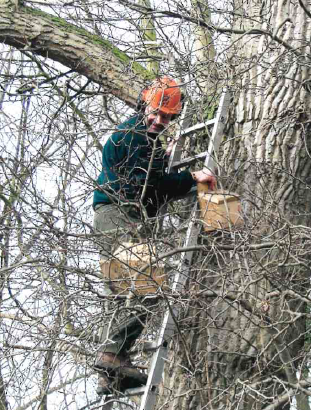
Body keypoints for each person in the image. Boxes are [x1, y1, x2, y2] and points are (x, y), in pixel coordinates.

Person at [92, 76, 215, 394]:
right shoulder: (133, 135)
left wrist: (163, 161)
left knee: (125, 295)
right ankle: (111, 356)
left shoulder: (144, 141)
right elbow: (148, 186)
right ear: (143, 104)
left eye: (166, 117)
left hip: (116, 215)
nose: (159, 120)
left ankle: (111, 375)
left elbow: (151, 182)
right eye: (156, 113)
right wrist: (191, 176)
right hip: (117, 215)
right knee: (148, 288)